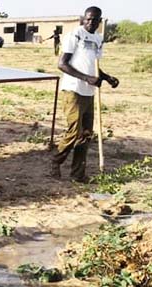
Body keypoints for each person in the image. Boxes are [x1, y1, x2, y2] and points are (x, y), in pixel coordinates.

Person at [51, 6, 119, 183]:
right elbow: (62, 64)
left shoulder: (98, 39)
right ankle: (55, 161)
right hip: (73, 89)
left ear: (99, 21)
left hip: (89, 93)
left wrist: (107, 78)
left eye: (94, 20)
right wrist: (86, 78)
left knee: (86, 134)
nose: (90, 22)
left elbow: (93, 66)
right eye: (87, 19)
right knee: (74, 131)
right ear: (84, 19)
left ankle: (78, 174)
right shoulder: (75, 35)